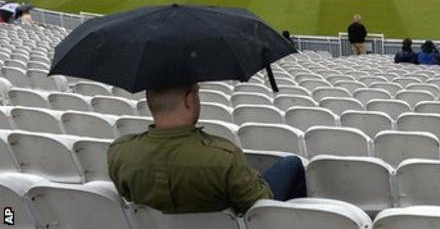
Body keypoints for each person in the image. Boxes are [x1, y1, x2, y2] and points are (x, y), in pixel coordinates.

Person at [108, 83, 307, 214]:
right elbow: (260, 205)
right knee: (292, 164)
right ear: (189, 99)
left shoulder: (119, 153)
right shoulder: (222, 158)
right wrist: (251, 176)